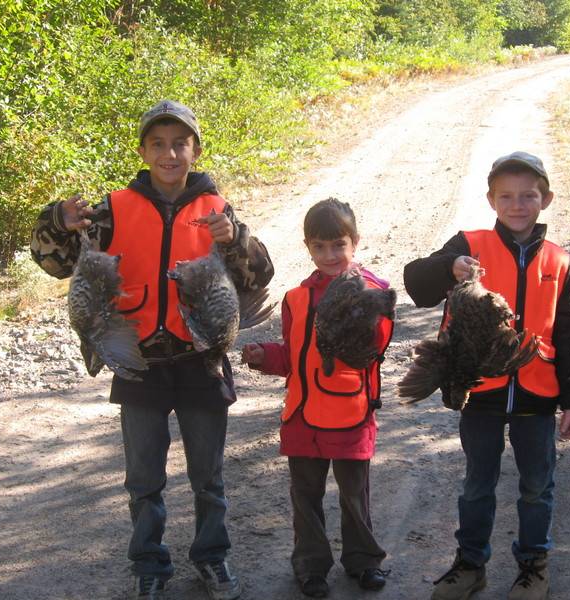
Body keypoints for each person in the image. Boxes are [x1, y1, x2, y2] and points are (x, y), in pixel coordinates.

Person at [30, 99, 274, 600]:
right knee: (143, 479)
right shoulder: (113, 209)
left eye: (179, 144)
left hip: (200, 359)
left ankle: (212, 557)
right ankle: (149, 562)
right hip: (136, 359)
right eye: (158, 144)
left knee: (208, 476)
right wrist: (59, 219)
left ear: (196, 149)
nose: (169, 154)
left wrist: (237, 239)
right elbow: (52, 263)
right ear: (143, 150)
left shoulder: (215, 208)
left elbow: (260, 275)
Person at [403, 151, 570, 600]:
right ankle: (469, 565)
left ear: (545, 199)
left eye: (529, 195)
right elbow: (416, 283)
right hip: (479, 391)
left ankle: (533, 567)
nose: (518, 204)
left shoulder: (561, 262)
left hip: (537, 395)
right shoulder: (469, 244)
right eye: (507, 196)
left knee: (535, 489)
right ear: (491, 200)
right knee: (476, 486)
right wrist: (450, 268)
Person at [241, 198, 393, 599]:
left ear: (355, 242)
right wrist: (264, 355)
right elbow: (294, 356)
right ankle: (310, 567)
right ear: (308, 246)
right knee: (304, 497)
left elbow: (375, 350)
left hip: (351, 413)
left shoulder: (374, 292)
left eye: (339, 245)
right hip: (303, 415)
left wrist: (362, 301)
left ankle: (364, 561)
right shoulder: (295, 298)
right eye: (321, 246)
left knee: (354, 495)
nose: (331, 255)